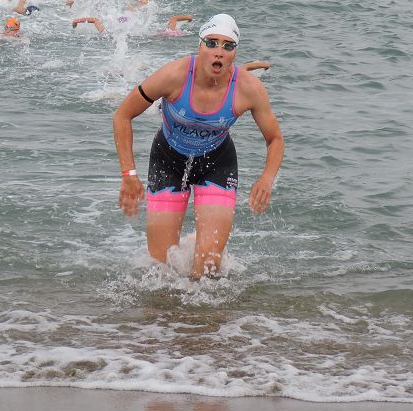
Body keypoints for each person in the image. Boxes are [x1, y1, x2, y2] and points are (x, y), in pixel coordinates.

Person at [113, 14, 284, 279]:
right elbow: (123, 115)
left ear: (234, 53)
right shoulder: (174, 75)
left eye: (227, 46)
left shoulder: (249, 88)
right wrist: (129, 175)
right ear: (199, 46)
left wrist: (266, 178)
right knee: (160, 271)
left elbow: (275, 139)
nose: (219, 52)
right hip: (167, 160)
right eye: (212, 43)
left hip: (216, 163)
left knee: (207, 272)